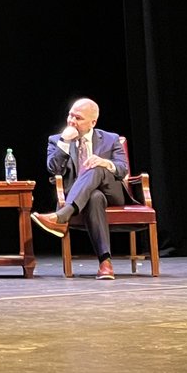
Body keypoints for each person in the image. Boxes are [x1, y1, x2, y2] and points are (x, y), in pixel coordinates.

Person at [31, 97, 133, 280]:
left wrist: (104, 163)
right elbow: (54, 169)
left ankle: (62, 216)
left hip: (112, 192)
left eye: (78, 118)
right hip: (82, 197)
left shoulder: (110, 139)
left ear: (92, 122)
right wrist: (64, 142)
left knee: (97, 168)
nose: (71, 121)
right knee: (94, 197)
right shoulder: (56, 141)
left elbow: (122, 168)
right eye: (70, 115)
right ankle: (105, 263)